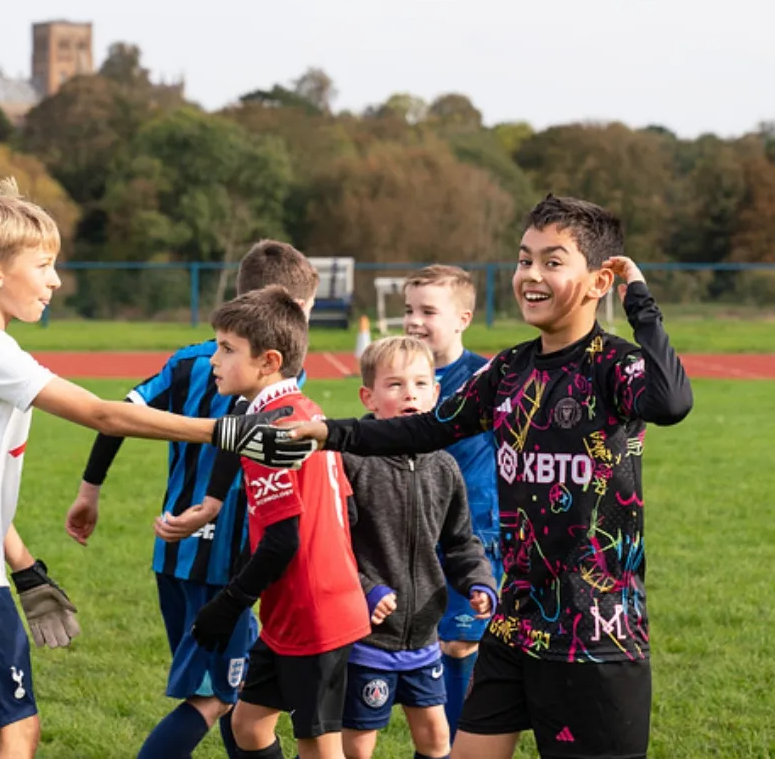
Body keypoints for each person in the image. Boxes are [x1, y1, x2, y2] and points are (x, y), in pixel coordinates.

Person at [0, 179, 308, 759]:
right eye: (43, 266)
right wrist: (226, 430)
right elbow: (101, 412)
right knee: (16, 731)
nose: (55, 280)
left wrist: (25, 569)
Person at [281, 194, 694, 759]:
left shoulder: (613, 365)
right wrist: (329, 433)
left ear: (599, 281)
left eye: (553, 261)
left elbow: (671, 401)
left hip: (595, 635)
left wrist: (639, 300)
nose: (531, 275)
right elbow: (424, 430)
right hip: (515, 622)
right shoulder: (507, 371)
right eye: (525, 260)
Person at [64, 240, 320, 759]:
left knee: (233, 690)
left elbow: (121, 413)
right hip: (229, 563)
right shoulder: (273, 371)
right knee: (215, 694)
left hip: (174, 555)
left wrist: (90, 489)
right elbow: (245, 437)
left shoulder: (187, 361)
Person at [190, 286, 371, 759]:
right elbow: (344, 511)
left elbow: (282, 540)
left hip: (315, 609)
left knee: (318, 743)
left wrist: (228, 603)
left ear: (268, 361)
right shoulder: (304, 412)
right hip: (295, 607)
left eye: (227, 349)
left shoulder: (269, 433)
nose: (214, 359)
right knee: (249, 725)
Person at [339, 336, 497, 759]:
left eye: (421, 383)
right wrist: (367, 588)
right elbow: (334, 547)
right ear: (368, 397)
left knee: (435, 737)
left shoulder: (444, 467)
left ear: (436, 393)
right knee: (358, 743)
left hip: (424, 636)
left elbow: (461, 540)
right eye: (395, 385)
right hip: (366, 639)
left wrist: (479, 581)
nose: (410, 392)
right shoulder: (352, 461)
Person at [403, 266, 503, 739]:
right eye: (408, 310)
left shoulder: (486, 376)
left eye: (428, 311)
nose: (414, 321)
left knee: (459, 643)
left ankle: (456, 746)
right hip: (409, 533)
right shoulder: (401, 373)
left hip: (471, 532)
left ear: (463, 318)